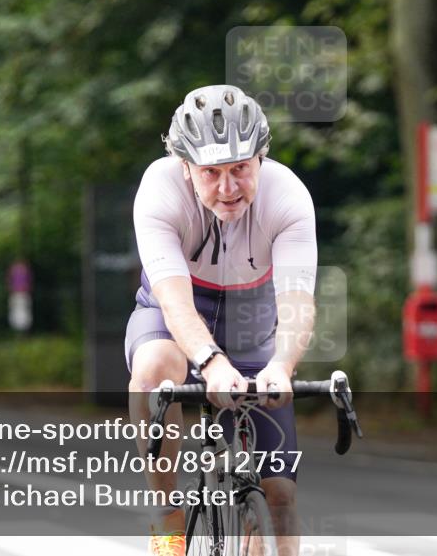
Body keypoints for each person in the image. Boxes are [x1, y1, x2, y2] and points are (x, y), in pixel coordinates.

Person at [126, 84, 317, 556]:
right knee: (153, 370)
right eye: (211, 173)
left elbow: (296, 302)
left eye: (240, 169)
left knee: (281, 496)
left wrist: (282, 367)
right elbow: (173, 301)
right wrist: (211, 363)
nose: (228, 188)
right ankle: (166, 517)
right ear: (185, 168)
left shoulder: (287, 195)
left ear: (261, 159)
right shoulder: (159, 188)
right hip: (175, 314)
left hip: (253, 320)